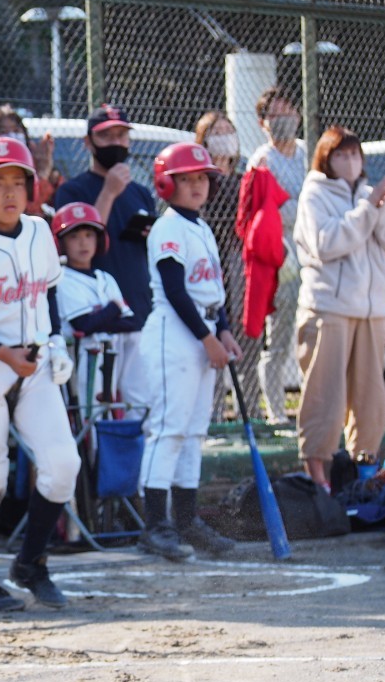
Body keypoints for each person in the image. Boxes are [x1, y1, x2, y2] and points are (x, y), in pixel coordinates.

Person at [0, 136, 80, 611]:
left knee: (63, 465)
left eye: (17, 183)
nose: (8, 193)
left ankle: (31, 563)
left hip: (36, 365)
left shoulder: (40, 231)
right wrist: (5, 354)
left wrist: (57, 339)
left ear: (31, 189)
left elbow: (48, 293)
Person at [139, 142, 243, 561]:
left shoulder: (201, 227)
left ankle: (186, 522)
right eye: (187, 179)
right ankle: (155, 526)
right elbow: (175, 290)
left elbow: (212, 292)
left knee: (195, 431)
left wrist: (224, 330)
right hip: (174, 333)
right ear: (168, 183)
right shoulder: (168, 227)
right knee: (169, 428)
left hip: (201, 332)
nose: (198, 185)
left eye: (202, 178)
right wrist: (207, 337)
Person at [292, 125, 385, 492]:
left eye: (355, 154)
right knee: (325, 394)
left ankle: (365, 473)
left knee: (372, 396)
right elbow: (327, 243)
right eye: (341, 155)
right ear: (326, 159)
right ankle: (317, 477)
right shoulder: (314, 194)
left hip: (372, 312)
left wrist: (378, 209)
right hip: (329, 309)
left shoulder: (369, 197)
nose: (350, 161)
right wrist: (366, 211)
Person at [51, 104, 157, 416]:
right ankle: (98, 465)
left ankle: (135, 464)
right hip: (95, 319)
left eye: (121, 135)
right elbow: (83, 235)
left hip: (135, 310)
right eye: (106, 136)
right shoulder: (73, 190)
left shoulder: (140, 192)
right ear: (89, 143)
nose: (115, 143)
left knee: (141, 405)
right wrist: (109, 193)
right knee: (95, 406)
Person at [246, 86, 307, 426]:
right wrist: (300, 206)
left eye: (288, 112)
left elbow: (311, 202)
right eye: (275, 114)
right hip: (280, 261)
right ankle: (276, 412)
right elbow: (273, 212)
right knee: (279, 339)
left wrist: (294, 206)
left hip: (312, 258)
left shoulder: (306, 153)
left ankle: (311, 407)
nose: (283, 119)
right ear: (262, 123)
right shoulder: (261, 162)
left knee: (313, 335)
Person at [194, 110, 257, 422]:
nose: (223, 136)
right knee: (216, 336)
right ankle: (213, 412)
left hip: (240, 264)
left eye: (227, 130)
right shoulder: (200, 179)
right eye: (216, 131)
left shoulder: (244, 177)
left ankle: (253, 410)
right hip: (210, 265)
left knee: (245, 336)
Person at [53, 201, 137, 412]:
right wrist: (113, 310)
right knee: (83, 413)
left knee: (108, 414)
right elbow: (83, 325)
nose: (83, 243)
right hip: (79, 361)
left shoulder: (105, 278)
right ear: (61, 243)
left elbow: (131, 323)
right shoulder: (62, 279)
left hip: (109, 357)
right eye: (74, 236)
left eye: (89, 235)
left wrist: (102, 319)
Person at [0, 104, 59, 217]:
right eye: (4, 131)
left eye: (16, 130)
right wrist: (42, 176)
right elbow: (28, 209)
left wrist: (46, 166)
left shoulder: (35, 159)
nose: (12, 135)